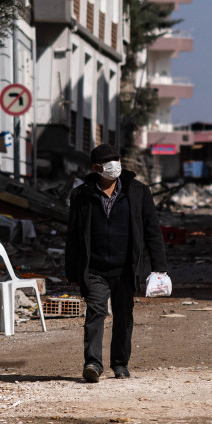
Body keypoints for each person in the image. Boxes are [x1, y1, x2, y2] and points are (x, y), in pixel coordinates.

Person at [64, 144, 167, 382]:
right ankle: (93, 363)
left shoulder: (138, 191)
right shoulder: (81, 195)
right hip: (95, 268)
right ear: (96, 168)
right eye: (108, 161)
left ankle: (120, 364)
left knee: (123, 316)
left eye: (116, 158)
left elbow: (152, 231)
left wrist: (159, 267)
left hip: (126, 268)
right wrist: (72, 272)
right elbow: (73, 236)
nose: (114, 164)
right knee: (96, 312)